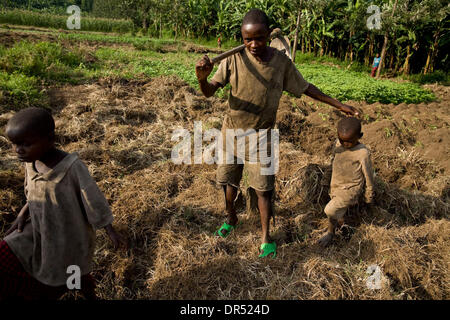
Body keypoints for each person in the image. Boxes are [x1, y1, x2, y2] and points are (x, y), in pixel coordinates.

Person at [195, 9, 359, 259]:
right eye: (247, 39)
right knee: (228, 183)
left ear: (268, 35)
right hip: (231, 134)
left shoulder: (281, 64)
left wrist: (338, 104)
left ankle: (265, 238)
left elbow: (305, 88)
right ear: (242, 37)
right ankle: (231, 218)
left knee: (264, 191)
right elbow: (208, 92)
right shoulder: (232, 60)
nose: (253, 45)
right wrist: (201, 79)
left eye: (259, 38)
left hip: (262, 137)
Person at [0, 107, 125, 300]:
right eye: (14, 144)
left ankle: (87, 293)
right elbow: (33, 193)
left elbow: (92, 198)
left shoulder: (72, 168)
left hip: (67, 234)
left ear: (50, 139)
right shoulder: (30, 162)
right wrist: (22, 213)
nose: (18, 150)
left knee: (71, 269)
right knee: (7, 254)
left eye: (25, 144)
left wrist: (110, 230)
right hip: (37, 228)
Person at [318, 117, 375, 247]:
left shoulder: (362, 153)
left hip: (351, 189)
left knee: (330, 210)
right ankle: (340, 230)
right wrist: (326, 179)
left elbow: (369, 175)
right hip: (336, 186)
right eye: (342, 140)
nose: (345, 144)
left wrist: (369, 194)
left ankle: (334, 232)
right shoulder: (338, 146)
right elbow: (332, 162)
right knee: (337, 212)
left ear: (359, 136)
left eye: (349, 141)